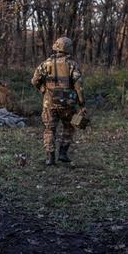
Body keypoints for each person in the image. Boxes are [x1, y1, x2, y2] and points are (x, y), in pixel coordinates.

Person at [31, 37, 86, 165]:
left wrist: (43, 89)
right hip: (68, 103)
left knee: (49, 129)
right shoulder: (72, 65)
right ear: (68, 49)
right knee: (69, 127)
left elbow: (34, 80)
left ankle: (50, 158)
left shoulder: (45, 64)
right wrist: (82, 103)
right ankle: (63, 153)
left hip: (49, 102)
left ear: (56, 47)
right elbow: (79, 86)